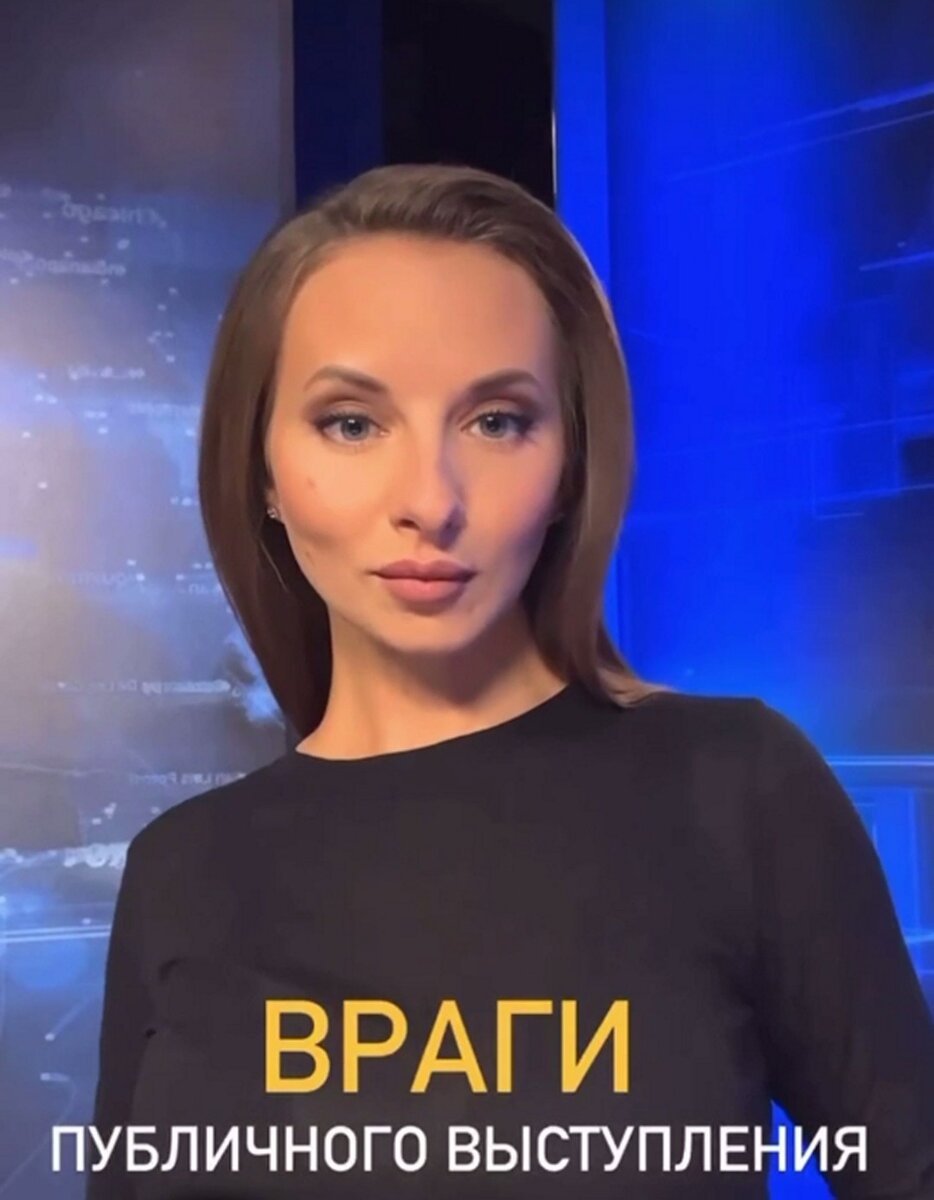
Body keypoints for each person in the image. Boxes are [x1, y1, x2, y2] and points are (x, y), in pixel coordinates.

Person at [88, 163, 934, 1199]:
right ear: (262, 467)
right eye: (351, 422)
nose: (429, 500)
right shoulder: (181, 871)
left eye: (495, 421)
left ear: (572, 462)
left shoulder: (734, 792)